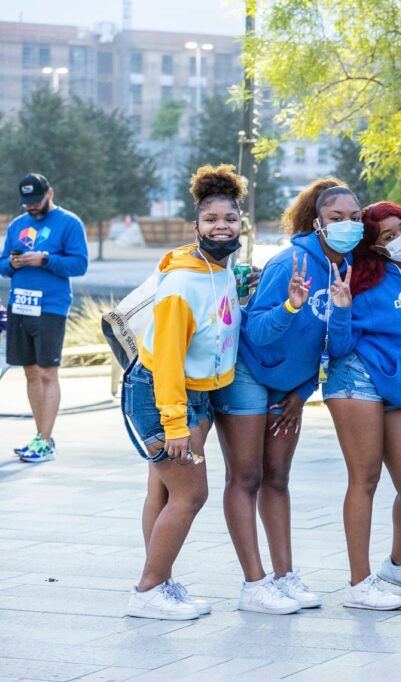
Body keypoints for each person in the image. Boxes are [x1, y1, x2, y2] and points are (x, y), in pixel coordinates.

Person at [209, 179, 356, 615]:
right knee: (247, 476)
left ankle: (284, 575)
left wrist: (301, 391)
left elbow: (337, 349)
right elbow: (254, 331)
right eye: (336, 218)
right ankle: (254, 584)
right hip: (248, 373)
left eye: (354, 217)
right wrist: (292, 307)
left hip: (290, 386)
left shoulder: (347, 270)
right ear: (318, 222)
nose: (347, 225)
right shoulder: (291, 260)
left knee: (277, 477)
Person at [123, 165, 244, 620]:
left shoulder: (221, 269)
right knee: (191, 495)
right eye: (211, 219)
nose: (220, 226)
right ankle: (148, 590)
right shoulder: (181, 283)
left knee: (165, 490)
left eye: (229, 219)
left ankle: (161, 580)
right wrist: (174, 422)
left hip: (196, 397)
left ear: (240, 224)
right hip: (161, 397)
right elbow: (169, 360)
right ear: (196, 226)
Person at [323, 201, 401, 611]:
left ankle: (398, 564)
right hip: (355, 379)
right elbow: (339, 346)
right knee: (365, 479)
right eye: (388, 237)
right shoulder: (362, 280)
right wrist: (342, 311)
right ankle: (359, 584)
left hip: (397, 391)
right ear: (374, 247)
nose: (400, 240)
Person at [0, 173, 88, 463]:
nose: (31, 207)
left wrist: (45, 260)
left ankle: (46, 440)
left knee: (48, 372)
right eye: (26, 203)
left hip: (50, 307)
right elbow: (2, 265)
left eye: (36, 201)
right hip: (20, 306)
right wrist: (12, 263)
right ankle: (40, 435)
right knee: (30, 372)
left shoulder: (69, 223)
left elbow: (80, 264)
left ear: (49, 192)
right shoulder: (17, 225)